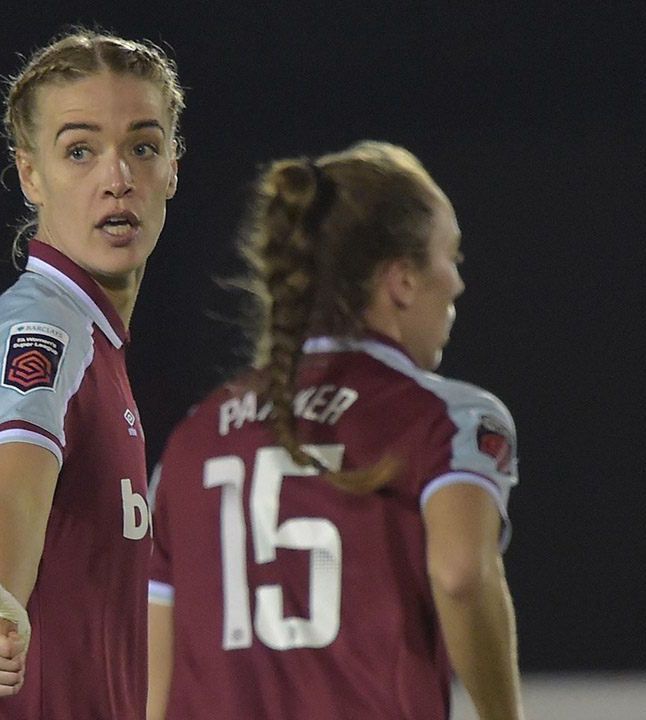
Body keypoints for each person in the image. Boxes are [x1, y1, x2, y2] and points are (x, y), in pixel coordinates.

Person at [147, 141, 525, 720]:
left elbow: (153, 674)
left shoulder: (191, 441)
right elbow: (461, 575)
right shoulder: (447, 418)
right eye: (452, 257)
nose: (457, 283)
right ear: (401, 280)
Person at [0, 28, 184, 720]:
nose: (117, 176)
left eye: (143, 146)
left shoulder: (51, 326)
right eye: (80, 150)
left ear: (173, 166)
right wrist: (1, 603)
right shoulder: (49, 328)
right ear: (31, 174)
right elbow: (13, 487)